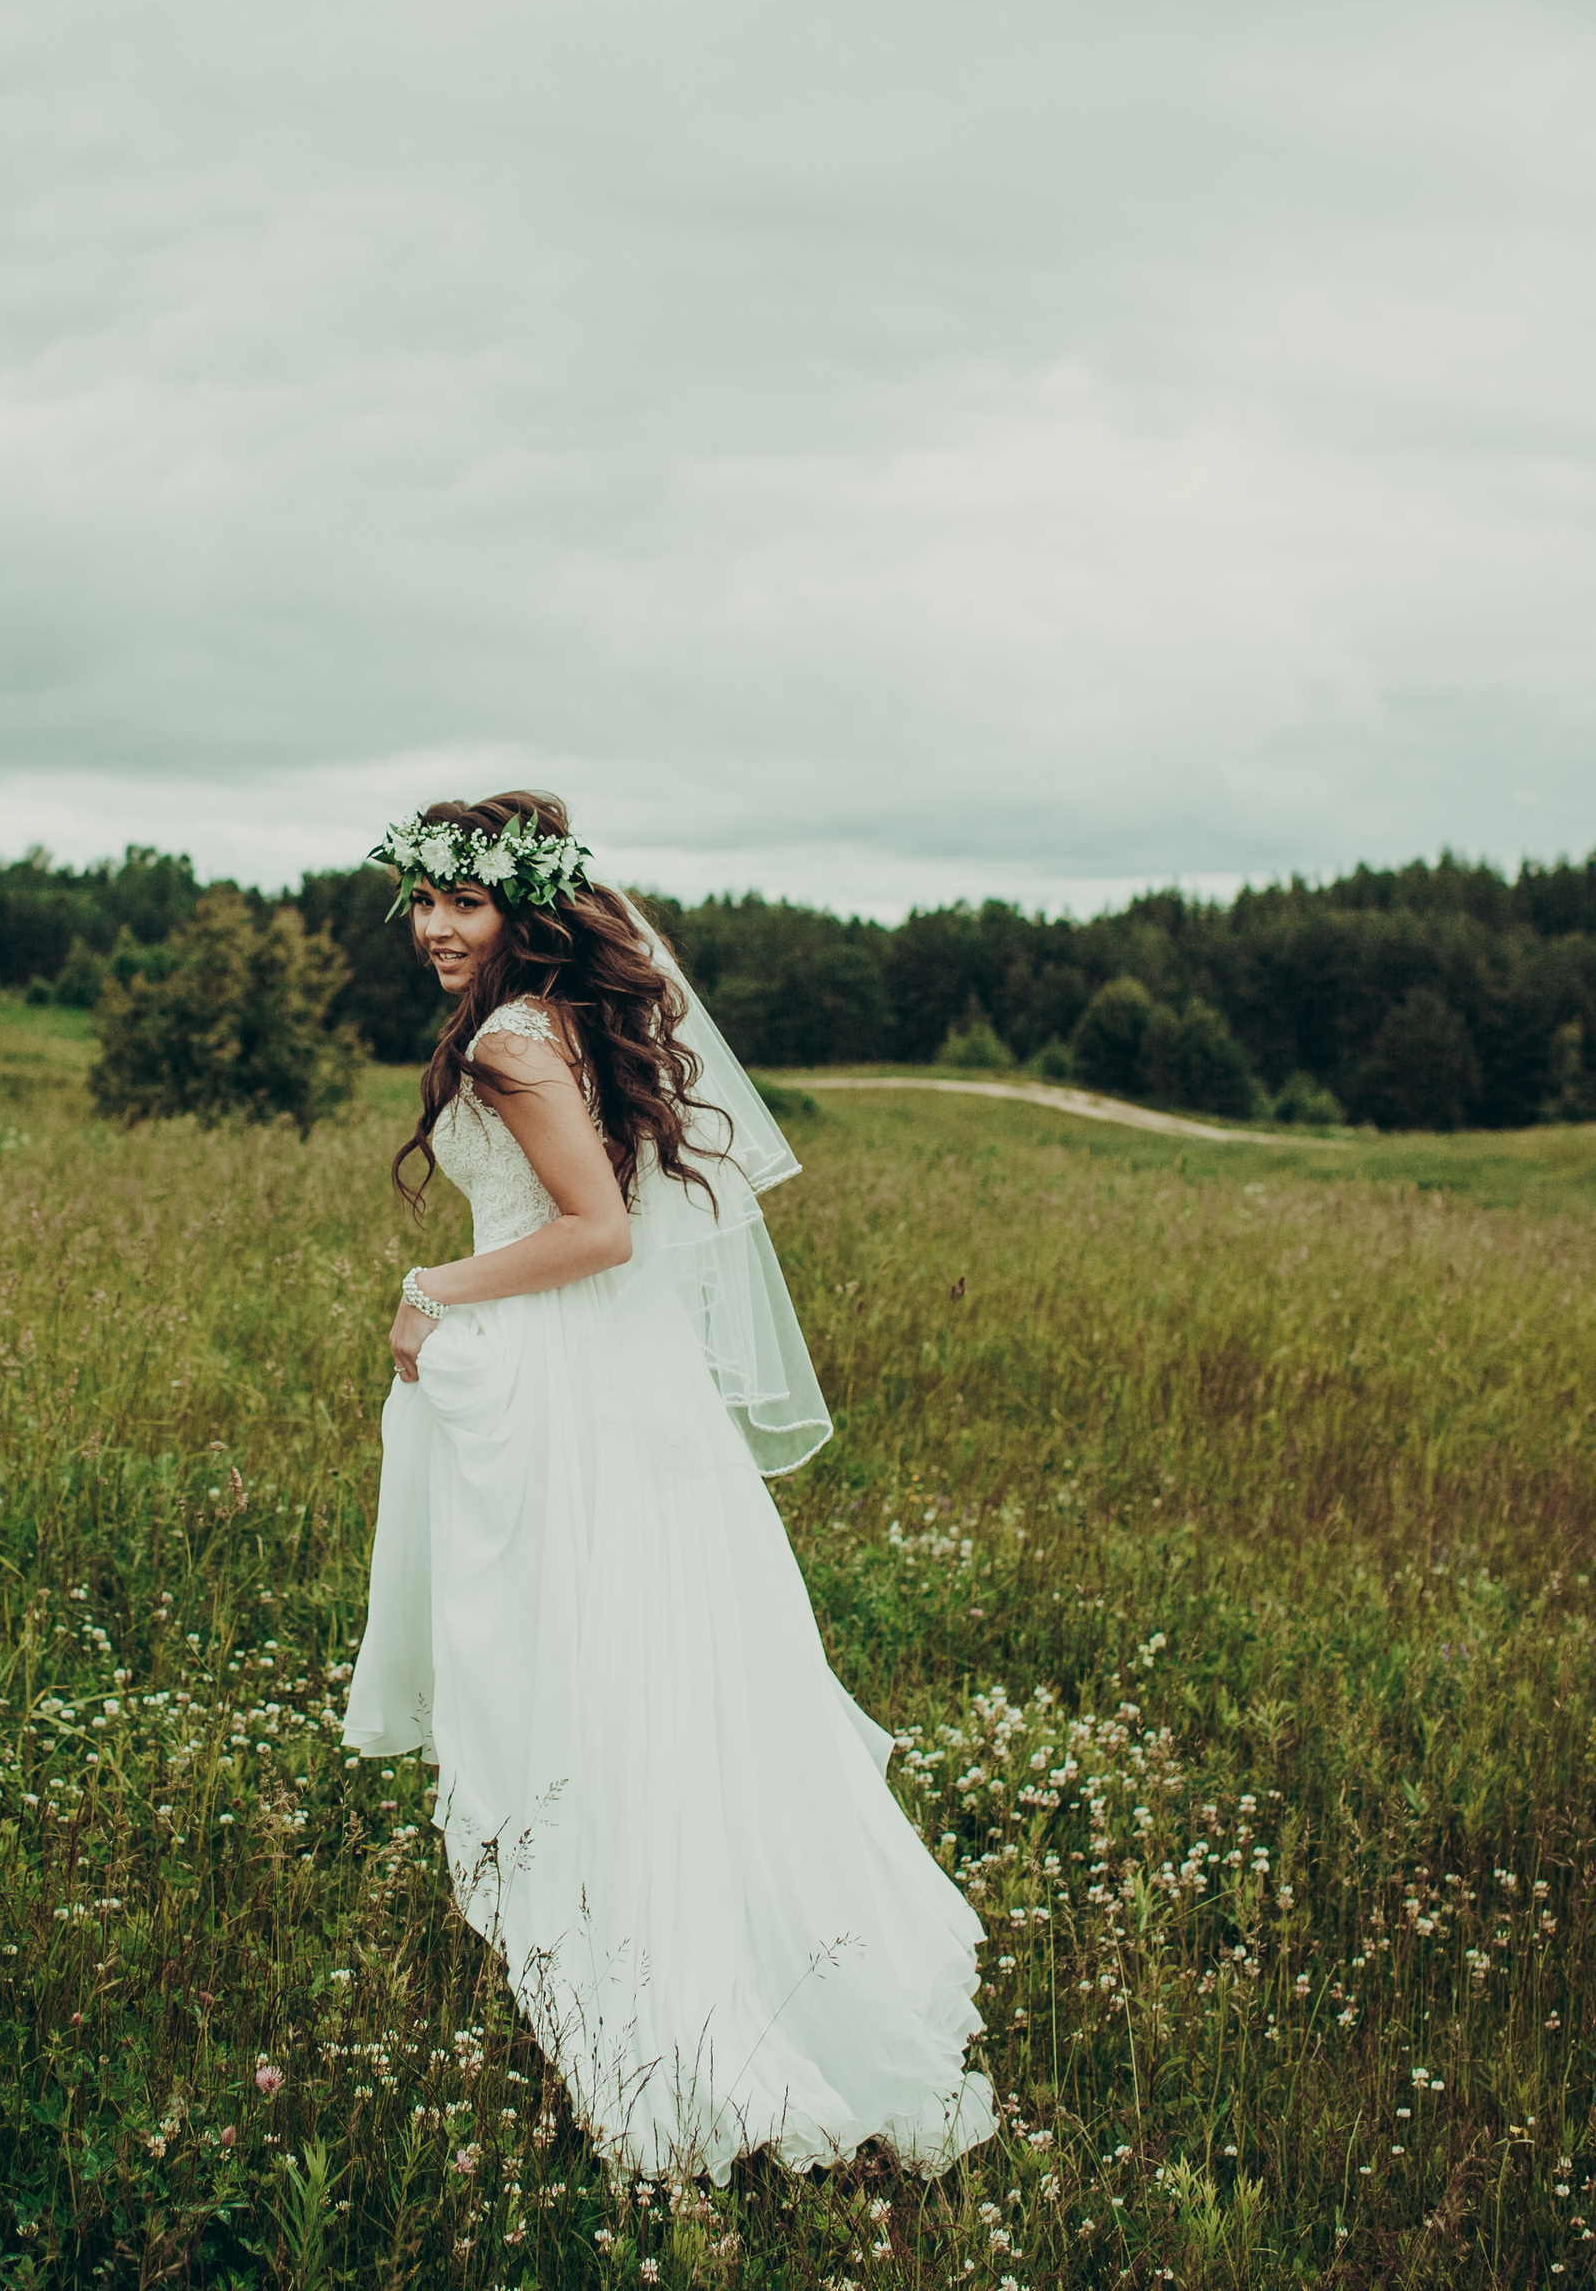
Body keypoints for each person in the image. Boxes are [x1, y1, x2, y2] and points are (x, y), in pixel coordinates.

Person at [342, 790, 997, 2184]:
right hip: (624, 1397)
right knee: (660, 1674)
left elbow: (599, 1233)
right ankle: (702, 1961)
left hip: (572, 1390)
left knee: (577, 1680)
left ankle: (659, 2008)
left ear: (523, 908)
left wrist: (428, 1289)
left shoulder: (518, 1038)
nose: (432, 927)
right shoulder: (570, 1022)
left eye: (460, 902)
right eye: (422, 900)